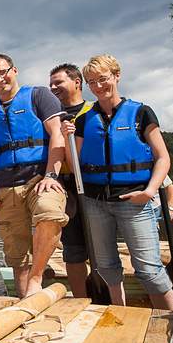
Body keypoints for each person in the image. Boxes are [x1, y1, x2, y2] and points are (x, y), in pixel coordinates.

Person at [69, 54, 173, 310]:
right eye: (91, 82)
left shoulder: (141, 113)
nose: (97, 86)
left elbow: (162, 158)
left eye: (102, 79)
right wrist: (69, 141)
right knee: (105, 267)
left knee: (149, 270)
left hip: (134, 199)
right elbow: (76, 167)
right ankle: (120, 313)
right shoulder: (84, 121)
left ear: (117, 76)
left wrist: (150, 191)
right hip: (95, 202)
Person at [0, 53, 68, 298]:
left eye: (3, 71)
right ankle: (26, 303)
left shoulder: (39, 96)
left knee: (50, 213)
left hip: (40, 180)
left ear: (14, 71)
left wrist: (51, 176)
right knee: (16, 255)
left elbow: (57, 133)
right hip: (7, 188)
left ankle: (37, 278)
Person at [49, 63, 94, 298]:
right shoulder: (51, 116)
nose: (53, 87)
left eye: (58, 82)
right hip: (65, 185)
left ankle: (109, 296)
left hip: (92, 185)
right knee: (73, 249)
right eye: (51, 84)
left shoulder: (93, 110)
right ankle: (80, 299)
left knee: (100, 247)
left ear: (77, 82)